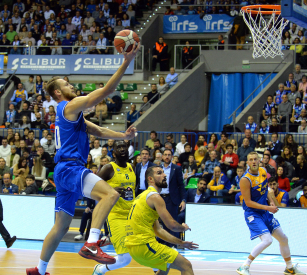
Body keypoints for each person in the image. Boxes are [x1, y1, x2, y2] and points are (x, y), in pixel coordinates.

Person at [26, 43, 140, 275]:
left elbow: (97, 131)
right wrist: (126, 62)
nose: (71, 86)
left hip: (63, 171)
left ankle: (40, 269)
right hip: (70, 168)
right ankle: (91, 242)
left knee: (60, 226)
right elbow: (106, 90)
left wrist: (123, 135)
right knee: (110, 194)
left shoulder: (70, 115)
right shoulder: (69, 105)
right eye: (66, 84)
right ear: (58, 92)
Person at [236, 152, 305, 275]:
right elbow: (248, 202)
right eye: (250, 159)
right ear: (247, 163)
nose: (253, 161)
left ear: (259, 160)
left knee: (283, 239)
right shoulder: (245, 179)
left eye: (255, 159)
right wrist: (268, 207)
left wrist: (272, 201)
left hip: (265, 211)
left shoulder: (263, 171)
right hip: (253, 213)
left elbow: (265, 188)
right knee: (267, 240)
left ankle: (289, 268)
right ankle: (244, 266)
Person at [125, 165, 198, 275]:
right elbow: (172, 225)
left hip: (134, 248)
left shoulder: (143, 196)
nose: (164, 175)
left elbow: (158, 230)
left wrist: (181, 242)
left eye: (164, 172)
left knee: (166, 265)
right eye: (159, 173)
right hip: (145, 245)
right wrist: (184, 228)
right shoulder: (155, 197)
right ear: (150, 179)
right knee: (186, 266)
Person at [93, 140, 135, 274]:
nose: (122, 149)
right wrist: (111, 190)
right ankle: (100, 269)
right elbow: (93, 189)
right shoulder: (108, 168)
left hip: (132, 215)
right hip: (116, 215)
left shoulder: (131, 166)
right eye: (119, 147)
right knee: (125, 259)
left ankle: (110, 239)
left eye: (124, 147)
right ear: (114, 152)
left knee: (144, 247)